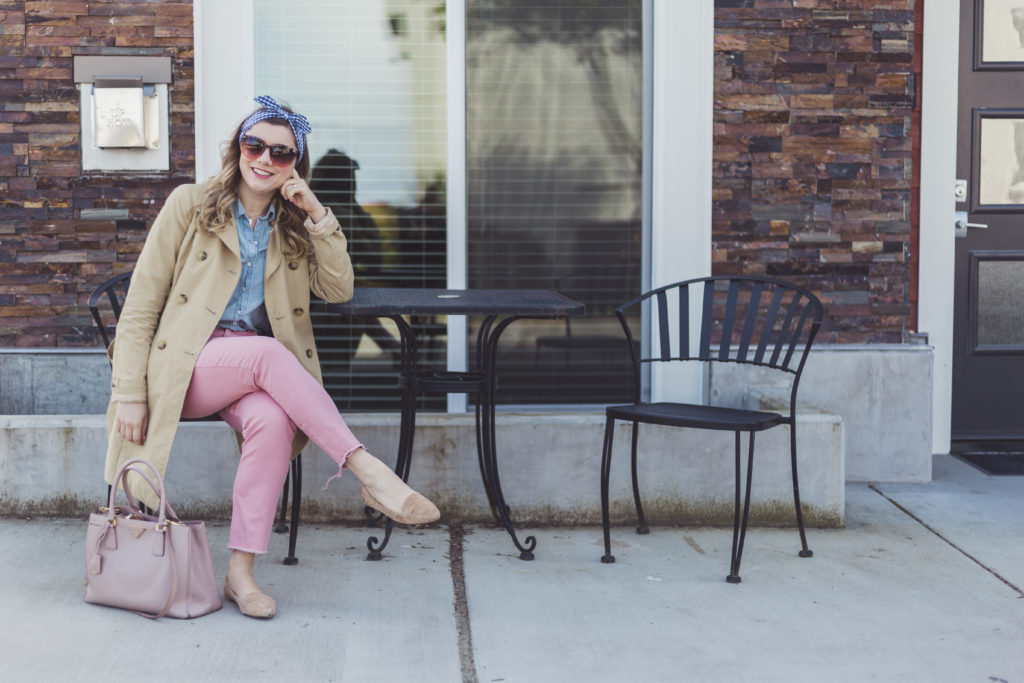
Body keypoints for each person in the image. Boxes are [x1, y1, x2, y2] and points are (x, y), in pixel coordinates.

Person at [103, 96, 440, 619]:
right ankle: (367, 470)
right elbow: (142, 303)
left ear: (294, 167)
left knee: (274, 420)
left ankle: (241, 573)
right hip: (184, 369)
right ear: (238, 147)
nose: (263, 158)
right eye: (253, 144)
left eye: (280, 153)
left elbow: (339, 289)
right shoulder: (190, 205)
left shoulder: (291, 226)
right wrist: (128, 391)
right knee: (264, 352)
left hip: (250, 375)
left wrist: (317, 214)